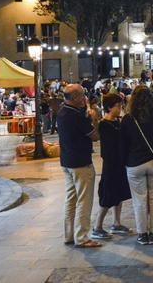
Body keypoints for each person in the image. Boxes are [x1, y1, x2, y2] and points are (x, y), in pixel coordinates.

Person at [120, 86, 153, 245]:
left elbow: (123, 145)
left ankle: (142, 234)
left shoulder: (128, 119)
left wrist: (125, 162)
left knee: (139, 201)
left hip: (135, 164)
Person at [56, 84, 101, 248]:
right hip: (81, 163)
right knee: (84, 200)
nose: (85, 98)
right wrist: (95, 120)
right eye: (83, 95)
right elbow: (95, 136)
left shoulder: (62, 112)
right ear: (75, 98)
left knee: (71, 199)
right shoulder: (76, 116)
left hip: (67, 162)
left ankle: (69, 235)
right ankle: (82, 237)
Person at [91, 93, 132, 240]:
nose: (120, 108)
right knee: (108, 195)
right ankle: (97, 227)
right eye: (117, 106)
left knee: (119, 193)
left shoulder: (117, 122)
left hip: (120, 164)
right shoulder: (104, 125)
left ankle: (116, 223)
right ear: (109, 107)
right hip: (111, 164)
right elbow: (109, 148)